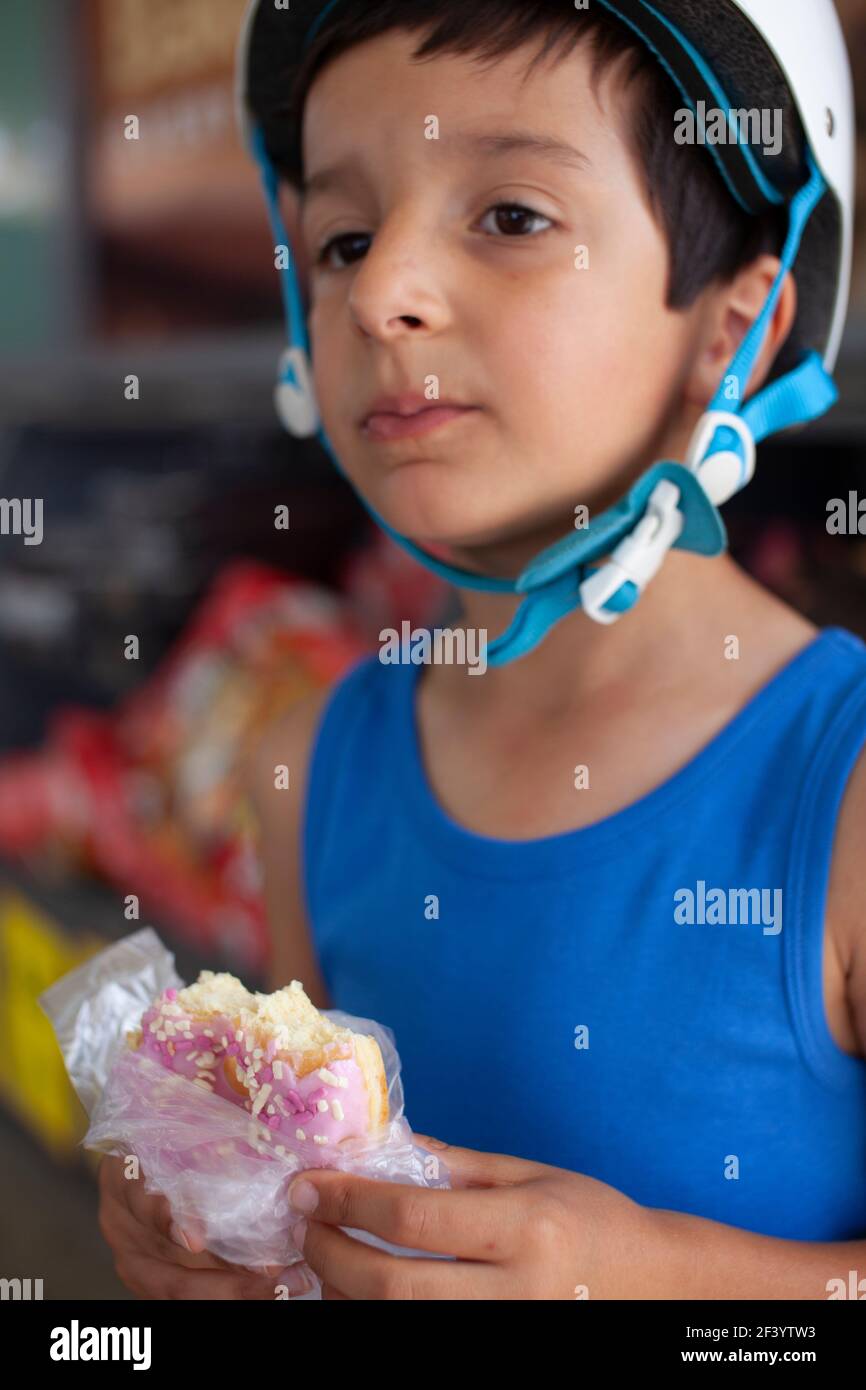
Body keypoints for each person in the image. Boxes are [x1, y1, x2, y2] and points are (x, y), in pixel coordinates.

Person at [99, 0, 866, 1299]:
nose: (382, 290)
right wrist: (223, 1221)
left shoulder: (841, 791)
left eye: (510, 216)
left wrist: (666, 1281)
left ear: (734, 327)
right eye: (341, 238)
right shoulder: (313, 767)